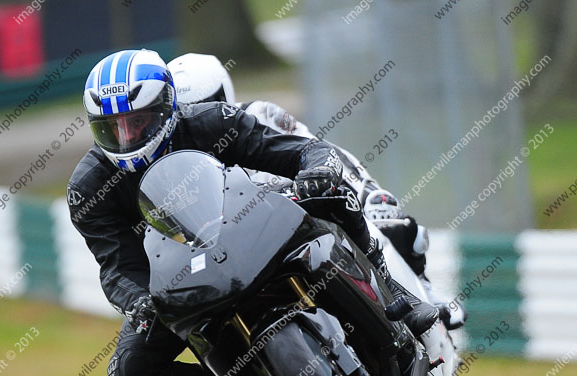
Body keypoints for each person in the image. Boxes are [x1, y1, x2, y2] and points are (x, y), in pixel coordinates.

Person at [67, 49, 438, 376]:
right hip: (183, 277)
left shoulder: (212, 122)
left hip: (256, 225)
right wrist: (138, 302)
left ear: (165, 108)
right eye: (112, 128)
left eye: (137, 122)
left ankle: (394, 293)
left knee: (328, 191)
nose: (126, 137)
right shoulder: (89, 187)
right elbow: (116, 266)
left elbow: (300, 151)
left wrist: (317, 171)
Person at [167, 53, 467, 330]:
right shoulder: (176, 168)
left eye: (209, 102)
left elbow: (315, 149)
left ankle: (423, 290)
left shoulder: (256, 115)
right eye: (189, 109)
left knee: (390, 222)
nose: (201, 112)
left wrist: (365, 191)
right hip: (243, 245)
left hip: (302, 210)